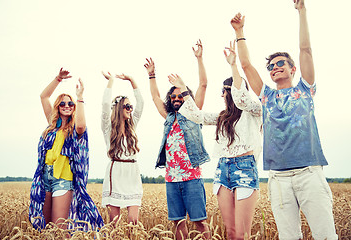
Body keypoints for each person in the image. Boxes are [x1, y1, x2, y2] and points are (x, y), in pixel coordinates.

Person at [230, 0, 338, 239]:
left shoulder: (305, 90)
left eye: (281, 63)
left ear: (293, 69)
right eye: (271, 65)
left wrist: (302, 11)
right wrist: (239, 32)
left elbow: (305, 49)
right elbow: (246, 65)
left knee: (325, 235)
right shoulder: (267, 97)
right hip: (278, 178)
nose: (275, 67)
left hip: (309, 172)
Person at [168, 40, 262, 239]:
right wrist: (184, 89)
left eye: (224, 90)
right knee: (230, 232)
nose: (221, 95)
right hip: (222, 169)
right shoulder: (222, 117)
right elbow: (197, 116)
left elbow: (242, 96)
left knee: (242, 235)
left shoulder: (253, 111)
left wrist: (233, 65)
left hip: (245, 167)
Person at [143, 40, 210, 240]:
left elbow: (203, 85)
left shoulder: (193, 112)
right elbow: (155, 96)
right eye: (173, 97)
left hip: (191, 177)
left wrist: (199, 59)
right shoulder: (169, 117)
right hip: (172, 178)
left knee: (199, 221)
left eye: (180, 95)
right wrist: (151, 75)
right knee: (178, 222)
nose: (177, 98)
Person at [29, 68, 104, 230]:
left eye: (70, 104)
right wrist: (58, 78)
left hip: (63, 180)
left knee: (59, 227)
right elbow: (44, 96)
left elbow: (82, 125)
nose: (67, 106)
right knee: (45, 227)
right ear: (57, 106)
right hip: (45, 178)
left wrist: (80, 97)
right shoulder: (52, 125)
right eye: (62, 103)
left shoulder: (75, 129)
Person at [100, 71, 144, 224]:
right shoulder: (108, 128)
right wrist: (111, 81)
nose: (130, 109)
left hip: (132, 172)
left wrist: (132, 79)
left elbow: (141, 103)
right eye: (127, 106)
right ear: (118, 107)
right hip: (116, 171)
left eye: (130, 106)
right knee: (114, 223)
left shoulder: (133, 125)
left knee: (133, 221)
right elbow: (105, 105)